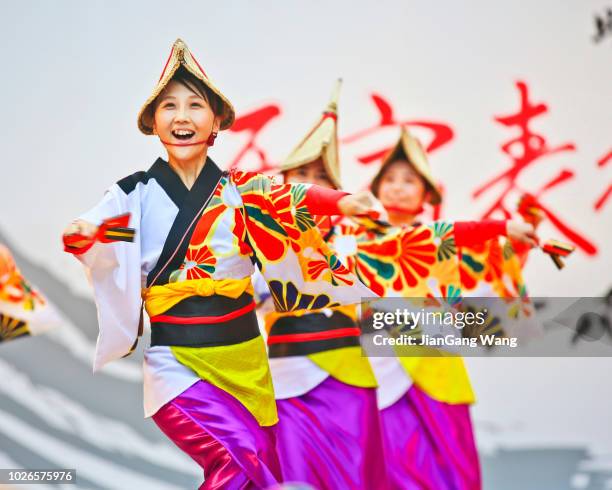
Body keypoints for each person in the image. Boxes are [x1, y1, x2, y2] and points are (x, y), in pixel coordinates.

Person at [62, 39, 377, 489]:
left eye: (195, 105)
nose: (182, 116)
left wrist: (342, 202)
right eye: (169, 106)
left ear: (215, 123)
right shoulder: (133, 196)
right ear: (154, 122)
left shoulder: (243, 192)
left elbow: (290, 198)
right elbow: (104, 231)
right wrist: (84, 232)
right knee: (238, 455)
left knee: (257, 472)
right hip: (178, 365)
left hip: (245, 362)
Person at [329, 127, 537, 489]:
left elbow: (493, 271)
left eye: (408, 180)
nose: (397, 187)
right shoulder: (350, 240)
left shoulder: (446, 241)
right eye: (389, 179)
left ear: (426, 193)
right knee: (388, 465)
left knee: (451, 468)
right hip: (377, 366)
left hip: (435, 364)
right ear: (376, 189)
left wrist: (518, 238)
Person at [256, 80, 388, 489]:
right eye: (302, 176)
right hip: (286, 379)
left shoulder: (358, 246)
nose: (311, 186)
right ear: (283, 185)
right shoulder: (258, 243)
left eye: (321, 178)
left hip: (348, 383)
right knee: (294, 479)